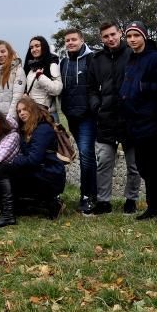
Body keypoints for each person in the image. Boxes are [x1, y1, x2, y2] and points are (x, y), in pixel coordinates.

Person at [120, 21, 157, 222]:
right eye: (129, 36)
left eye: (136, 35)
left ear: (144, 36)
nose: (133, 40)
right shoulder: (131, 59)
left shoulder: (154, 59)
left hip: (151, 121)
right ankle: (154, 206)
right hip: (134, 122)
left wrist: (144, 87)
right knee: (144, 166)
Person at [87, 22, 141, 215]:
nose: (110, 39)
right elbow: (91, 88)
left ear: (120, 33)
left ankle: (131, 200)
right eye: (106, 36)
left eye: (113, 34)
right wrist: (96, 106)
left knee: (134, 165)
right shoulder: (96, 59)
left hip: (130, 119)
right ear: (101, 39)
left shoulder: (133, 54)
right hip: (106, 119)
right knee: (104, 162)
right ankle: (103, 202)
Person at [0, 96, 67, 228]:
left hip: (50, 175)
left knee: (5, 170)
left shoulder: (43, 129)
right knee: (1, 169)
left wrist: (16, 161)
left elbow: (34, 159)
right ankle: (51, 204)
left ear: (33, 110)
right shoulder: (28, 129)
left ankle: (8, 216)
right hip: (41, 172)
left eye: (25, 109)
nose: (22, 113)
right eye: (19, 111)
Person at [58, 28, 98, 215]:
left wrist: (93, 107)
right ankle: (86, 194)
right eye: (67, 40)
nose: (70, 43)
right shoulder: (64, 62)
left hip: (87, 117)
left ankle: (88, 196)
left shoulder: (91, 59)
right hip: (71, 116)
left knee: (87, 154)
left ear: (82, 40)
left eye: (74, 39)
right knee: (84, 155)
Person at [23, 36, 62, 112]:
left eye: (37, 46)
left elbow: (57, 90)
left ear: (44, 47)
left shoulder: (52, 65)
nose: (34, 49)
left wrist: (40, 77)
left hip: (47, 113)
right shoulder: (30, 69)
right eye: (31, 47)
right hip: (32, 112)